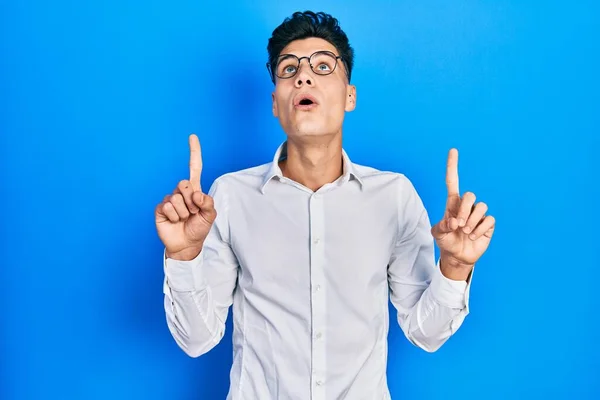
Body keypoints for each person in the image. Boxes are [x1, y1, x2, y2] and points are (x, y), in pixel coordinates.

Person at [155, 10, 495, 400]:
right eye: (288, 69)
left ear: (350, 95)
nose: (303, 76)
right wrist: (183, 255)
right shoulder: (229, 197)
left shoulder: (394, 196)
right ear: (275, 103)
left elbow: (426, 333)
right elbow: (196, 339)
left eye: (322, 65)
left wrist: (455, 266)